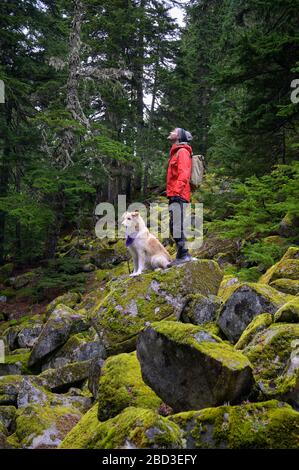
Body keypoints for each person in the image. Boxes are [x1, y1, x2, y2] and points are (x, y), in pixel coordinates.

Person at [166, 127, 193, 264]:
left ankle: (184, 255)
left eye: (173, 131)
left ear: (179, 136)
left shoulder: (182, 152)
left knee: (176, 225)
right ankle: (182, 255)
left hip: (179, 194)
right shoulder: (176, 152)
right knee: (175, 225)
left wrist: (176, 192)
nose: (170, 132)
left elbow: (184, 174)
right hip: (175, 194)